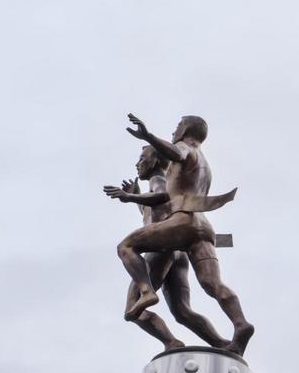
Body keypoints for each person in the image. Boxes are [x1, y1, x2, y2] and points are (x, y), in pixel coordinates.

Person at [105, 113, 254, 354]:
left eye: (142, 158)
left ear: (185, 130)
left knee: (126, 250)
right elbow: (159, 209)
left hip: (173, 236)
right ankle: (235, 332)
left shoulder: (179, 154)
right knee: (199, 296)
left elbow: (166, 192)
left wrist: (149, 137)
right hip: (198, 228)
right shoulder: (203, 165)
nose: (174, 132)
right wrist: (136, 199)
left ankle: (147, 294)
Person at [107, 146, 227, 351]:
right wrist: (136, 197)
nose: (138, 164)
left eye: (142, 158)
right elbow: (154, 212)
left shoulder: (158, 180)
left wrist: (130, 197)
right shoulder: (155, 187)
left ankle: (168, 337)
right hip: (177, 252)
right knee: (181, 311)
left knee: (131, 310)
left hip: (162, 249)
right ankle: (222, 344)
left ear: (154, 162)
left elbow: (161, 195)